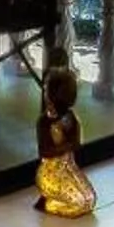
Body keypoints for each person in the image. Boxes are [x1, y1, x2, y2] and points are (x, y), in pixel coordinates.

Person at [34, 61, 98, 218]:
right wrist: (63, 141)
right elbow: (45, 151)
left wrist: (67, 138)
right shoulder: (44, 122)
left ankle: (54, 200)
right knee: (79, 204)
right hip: (51, 172)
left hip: (68, 167)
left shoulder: (70, 117)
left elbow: (76, 144)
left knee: (90, 199)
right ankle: (48, 202)